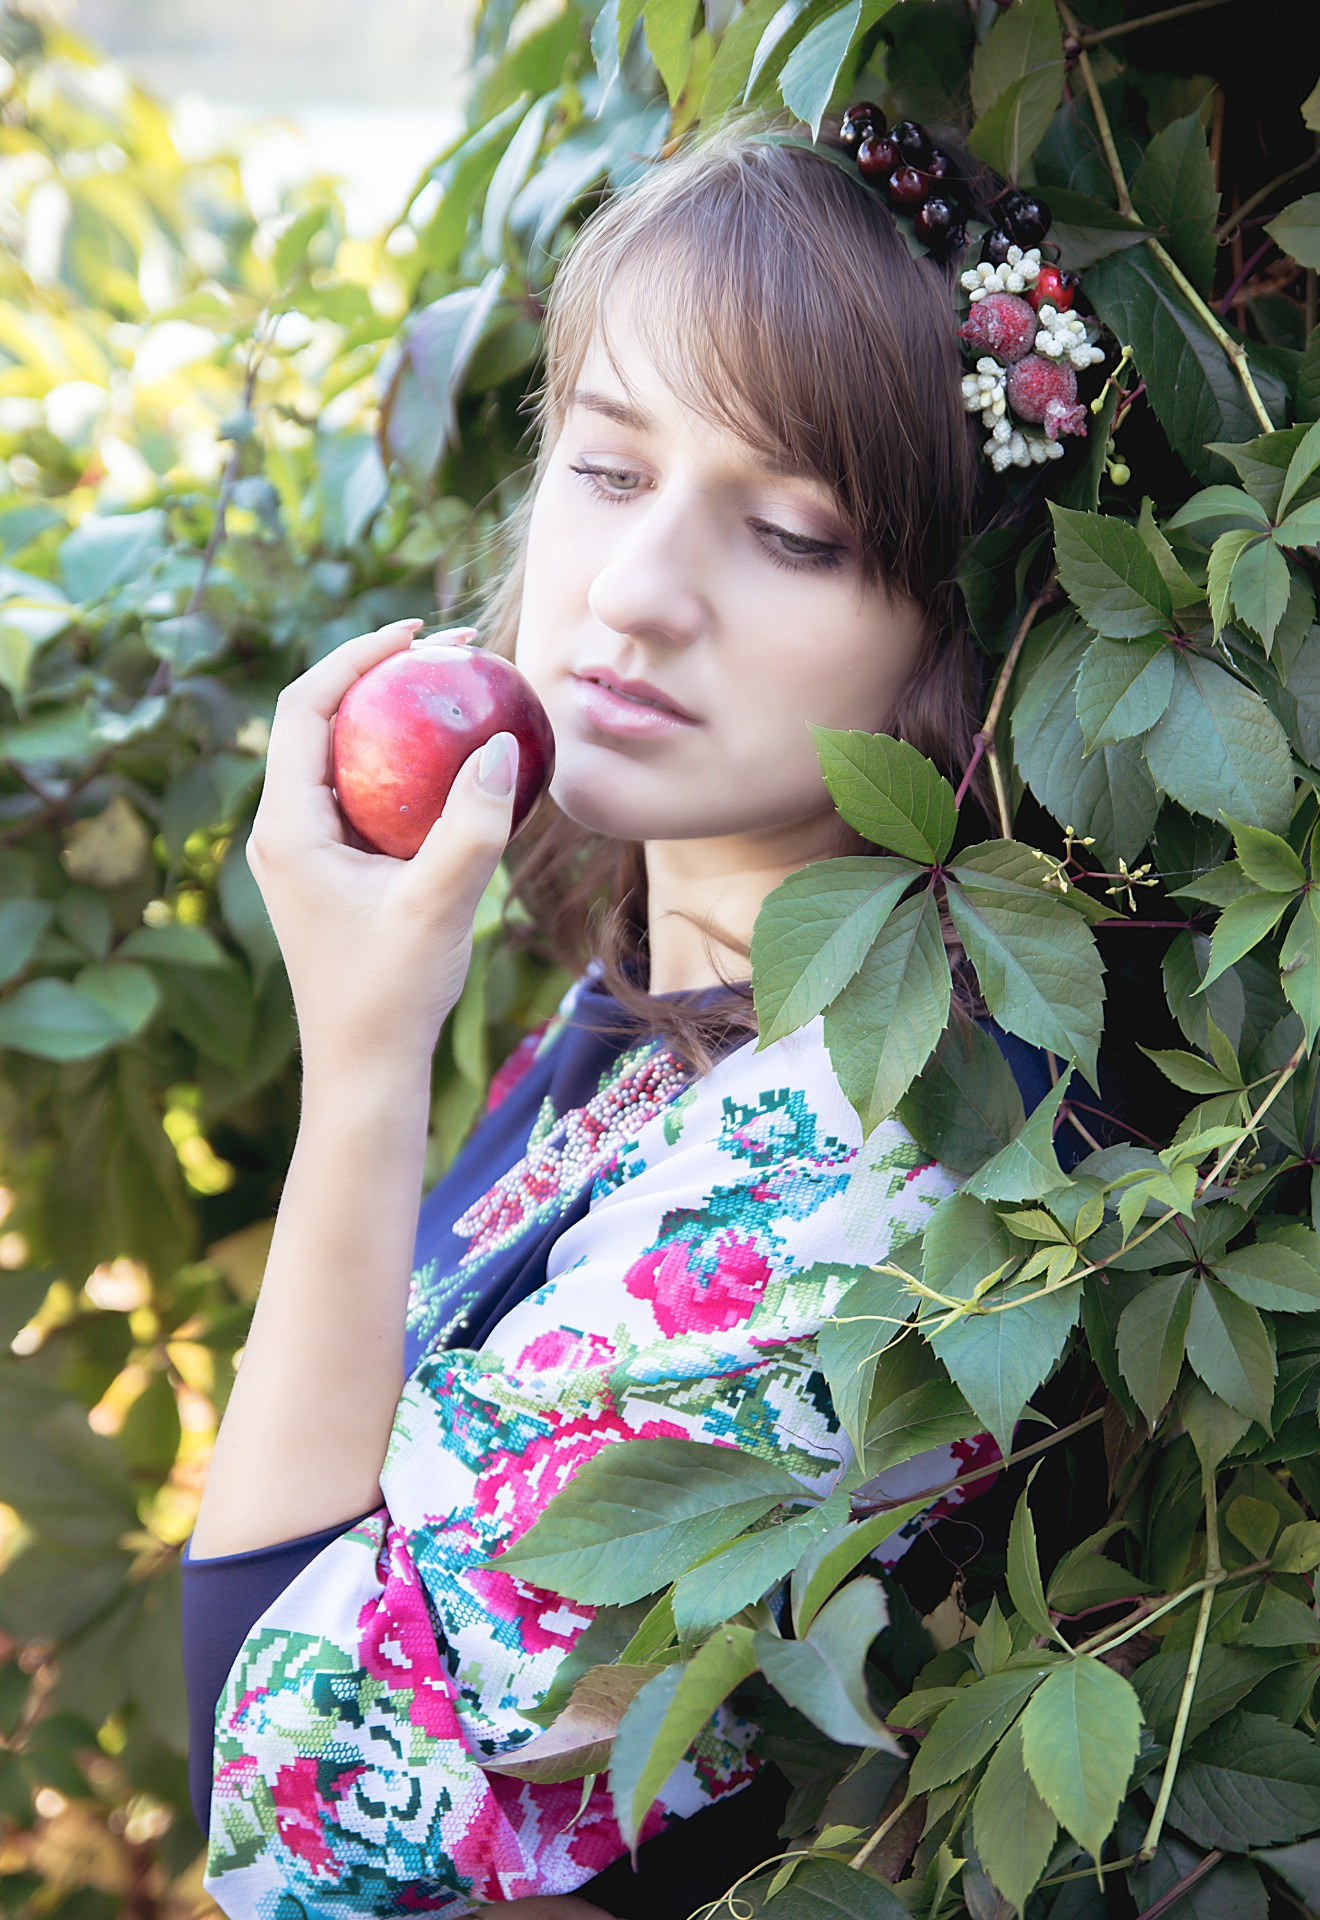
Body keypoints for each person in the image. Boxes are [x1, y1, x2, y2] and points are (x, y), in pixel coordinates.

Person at [183, 128, 1026, 1918]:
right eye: (604, 467)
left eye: (795, 530)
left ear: (958, 623)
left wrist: (358, 1070)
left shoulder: (872, 1170)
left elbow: (292, 1838)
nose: (639, 590)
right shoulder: (659, 1018)